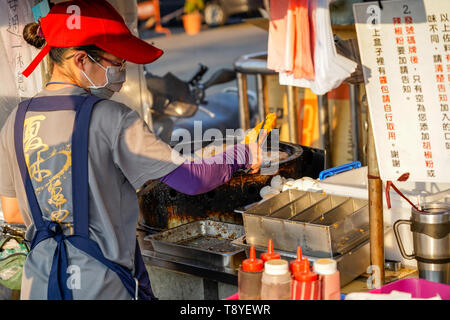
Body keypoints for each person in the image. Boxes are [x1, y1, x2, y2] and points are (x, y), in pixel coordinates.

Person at [0, 0, 262, 300]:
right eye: (117, 62)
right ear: (81, 60)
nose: (122, 73)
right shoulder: (112, 117)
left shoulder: (16, 120)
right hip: (102, 287)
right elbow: (193, 179)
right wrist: (242, 154)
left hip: (42, 285)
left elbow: (12, 211)